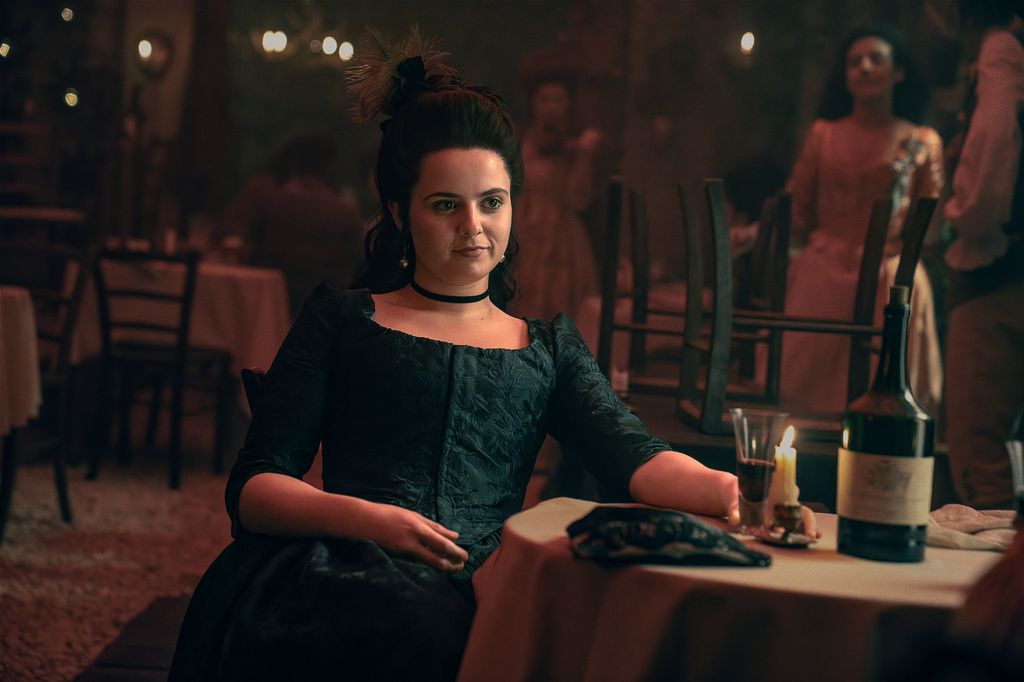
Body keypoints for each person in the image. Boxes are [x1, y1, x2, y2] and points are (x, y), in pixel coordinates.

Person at [169, 37, 802, 681]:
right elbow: (253, 490)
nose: (473, 225)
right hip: (341, 573)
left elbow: (637, 457)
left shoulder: (546, 348)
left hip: (487, 584)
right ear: (400, 212)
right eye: (446, 204)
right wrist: (375, 523)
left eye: (491, 202)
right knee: (406, 626)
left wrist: (737, 489)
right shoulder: (343, 321)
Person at [782, 24, 945, 414]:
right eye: (854, 62)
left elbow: (932, 227)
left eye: (876, 59)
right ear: (845, 75)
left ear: (898, 72)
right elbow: (797, 208)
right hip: (823, 268)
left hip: (890, 273)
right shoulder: (823, 135)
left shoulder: (922, 141)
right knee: (803, 399)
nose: (865, 68)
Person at [943, 0, 1024, 509]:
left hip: (1000, 272)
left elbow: (992, 145)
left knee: (980, 451)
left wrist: (967, 215)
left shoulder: (1002, 49)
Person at [217, 131, 366, 316]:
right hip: (322, 307)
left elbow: (230, 234)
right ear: (330, 168)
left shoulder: (271, 198)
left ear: (293, 164)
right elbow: (356, 260)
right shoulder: (344, 211)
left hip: (264, 303)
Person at [511, 49, 603, 323]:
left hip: (564, 243)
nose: (551, 107)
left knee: (560, 312)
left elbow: (579, 200)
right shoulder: (520, 143)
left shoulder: (574, 147)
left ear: (568, 104)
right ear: (534, 103)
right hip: (525, 236)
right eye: (545, 99)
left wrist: (584, 156)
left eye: (558, 100)